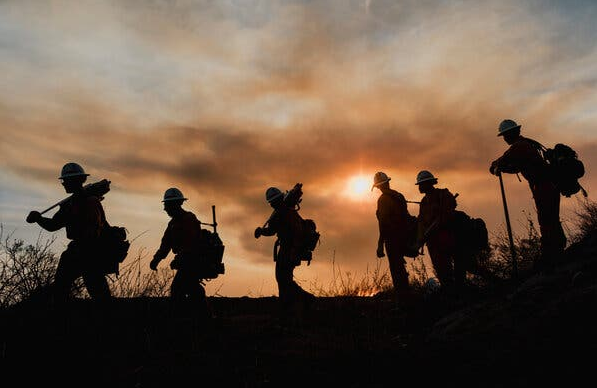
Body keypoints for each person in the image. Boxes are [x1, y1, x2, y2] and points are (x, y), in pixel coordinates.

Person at [26, 162, 111, 303]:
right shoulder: (69, 204)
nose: (64, 184)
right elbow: (54, 225)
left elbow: (92, 230)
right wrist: (39, 219)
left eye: (66, 181)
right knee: (62, 287)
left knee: (97, 292)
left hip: (89, 250)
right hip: (79, 250)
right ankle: (65, 318)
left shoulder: (90, 202)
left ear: (77, 181)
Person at [490, 119, 566, 271]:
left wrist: (495, 166)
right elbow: (515, 166)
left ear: (511, 134)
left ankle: (551, 256)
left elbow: (504, 160)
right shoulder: (525, 145)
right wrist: (500, 168)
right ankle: (557, 251)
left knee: (546, 220)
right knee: (551, 218)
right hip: (547, 185)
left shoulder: (519, 146)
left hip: (544, 186)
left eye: (505, 135)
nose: (504, 138)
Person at [254, 185, 315, 316]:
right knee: (285, 279)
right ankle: (289, 306)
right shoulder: (289, 210)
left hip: (288, 250)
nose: (270, 205)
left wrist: (260, 231)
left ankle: (305, 300)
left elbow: (271, 230)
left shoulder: (281, 212)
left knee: (283, 279)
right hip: (293, 249)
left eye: (271, 202)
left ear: (274, 201)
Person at [149, 188, 209, 314]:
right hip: (185, 262)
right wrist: (156, 259)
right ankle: (203, 318)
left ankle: (184, 319)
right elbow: (165, 245)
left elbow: (191, 244)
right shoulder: (172, 224)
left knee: (178, 290)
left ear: (176, 204)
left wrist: (180, 258)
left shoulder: (189, 219)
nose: (165, 209)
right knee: (192, 289)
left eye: (167, 205)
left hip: (193, 262)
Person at [415, 170, 464, 292]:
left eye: (421, 184)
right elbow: (421, 221)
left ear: (429, 183)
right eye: (419, 184)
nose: (419, 187)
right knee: (442, 272)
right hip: (433, 243)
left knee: (459, 269)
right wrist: (421, 237)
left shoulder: (443, 195)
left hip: (447, 238)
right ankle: (450, 294)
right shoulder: (424, 202)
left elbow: (446, 215)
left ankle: (459, 293)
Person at [371, 171, 413, 302]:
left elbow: (383, 224)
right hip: (404, 236)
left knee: (396, 268)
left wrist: (380, 245)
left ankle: (403, 298)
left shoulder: (383, 200)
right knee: (400, 267)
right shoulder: (399, 196)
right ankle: (407, 295)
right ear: (388, 182)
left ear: (378, 186)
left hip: (392, 238)